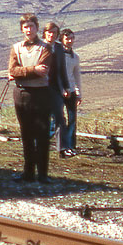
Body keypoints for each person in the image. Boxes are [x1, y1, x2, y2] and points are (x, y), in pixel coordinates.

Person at [7, 13, 53, 183]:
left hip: (41, 94)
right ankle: (28, 173)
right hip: (22, 94)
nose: (28, 30)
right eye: (25, 27)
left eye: (31, 26)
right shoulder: (16, 47)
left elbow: (45, 69)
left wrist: (22, 72)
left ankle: (42, 174)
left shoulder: (46, 48)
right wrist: (33, 70)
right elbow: (12, 70)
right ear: (21, 29)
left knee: (42, 134)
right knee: (26, 134)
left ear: (37, 28)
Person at [42, 21, 70, 149]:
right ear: (44, 33)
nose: (51, 35)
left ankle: (61, 147)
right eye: (49, 32)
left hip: (55, 87)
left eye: (54, 33)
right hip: (40, 87)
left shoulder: (59, 48)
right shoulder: (38, 46)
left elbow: (62, 69)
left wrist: (66, 87)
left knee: (59, 116)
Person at [58, 29, 82, 157]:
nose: (70, 41)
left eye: (72, 38)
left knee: (72, 119)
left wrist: (78, 93)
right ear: (62, 39)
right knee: (58, 119)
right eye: (67, 38)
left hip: (72, 91)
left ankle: (71, 146)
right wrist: (61, 89)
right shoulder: (56, 55)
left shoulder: (75, 56)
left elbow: (76, 75)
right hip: (59, 91)